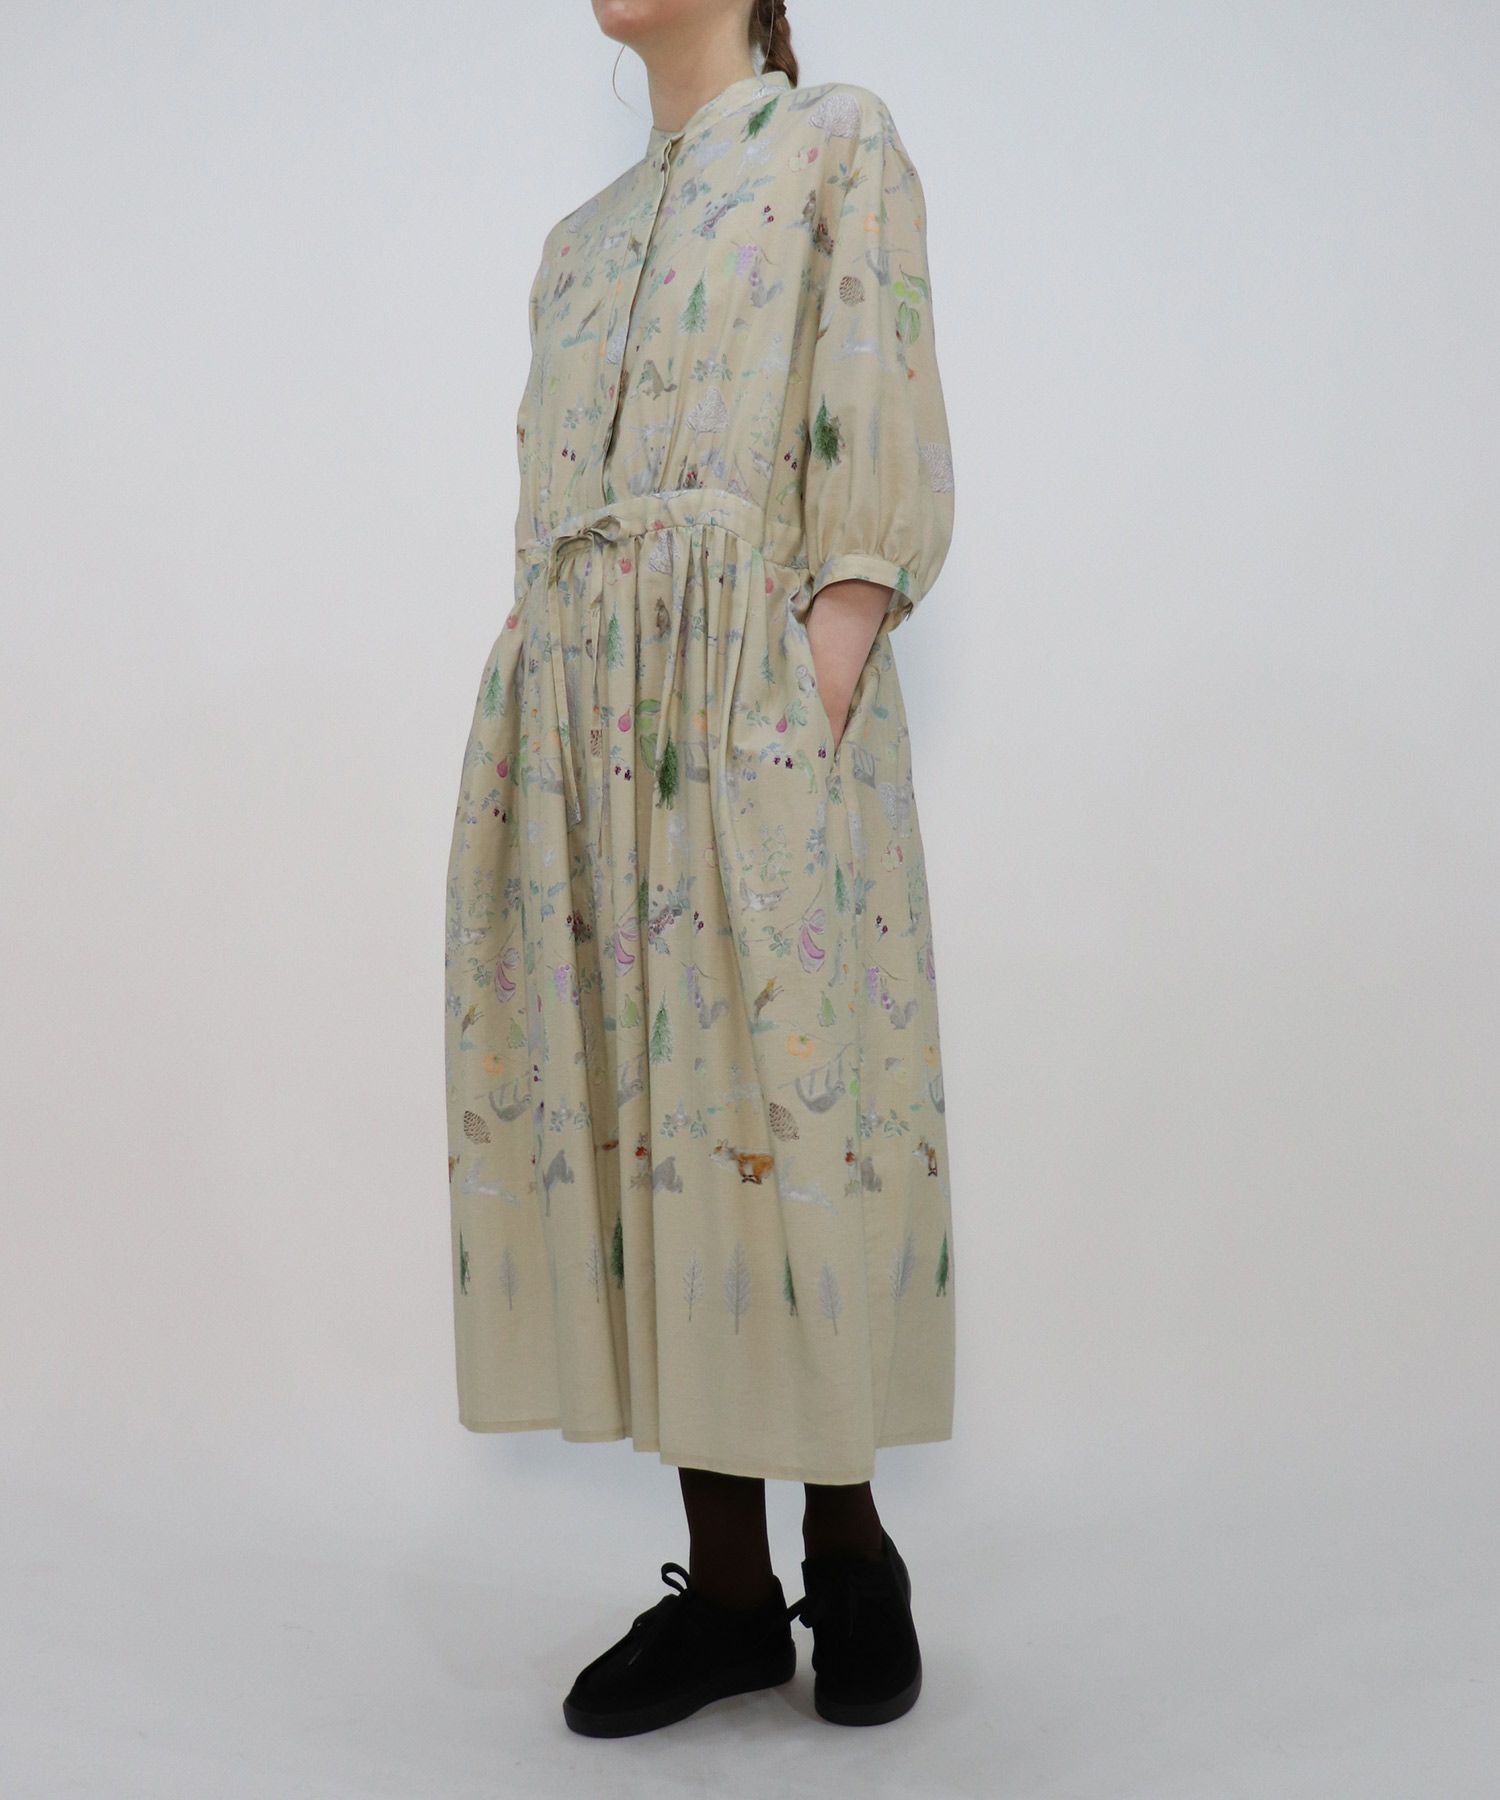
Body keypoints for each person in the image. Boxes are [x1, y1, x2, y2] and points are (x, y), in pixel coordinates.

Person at [443, 0, 957, 1735]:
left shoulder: (833, 141)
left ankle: (850, 1549)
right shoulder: (575, 243)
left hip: (749, 708)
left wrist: (812, 690)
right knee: (651, 1127)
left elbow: (873, 413)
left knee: (778, 1111)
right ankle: (730, 1595)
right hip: (588, 728)